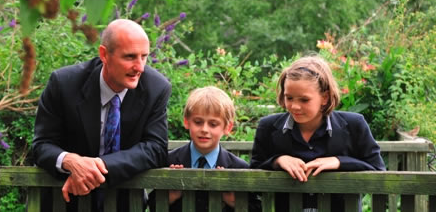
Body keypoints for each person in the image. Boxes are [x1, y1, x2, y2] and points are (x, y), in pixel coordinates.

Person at [32, 19, 171, 212]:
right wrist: (71, 161)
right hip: (64, 202)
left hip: (125, 203)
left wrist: (97, 166)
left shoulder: (156, 88)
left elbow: (155, 148)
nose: (139, 67)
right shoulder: (63, 84)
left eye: (144, 57)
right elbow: (41, 145)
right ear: (104, 54)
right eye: (130, 57)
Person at [250, 55, 385, 211]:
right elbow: (254, 175)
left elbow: (377, 171)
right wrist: (278, 160)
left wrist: (339, 162)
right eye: (289, 98)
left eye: (304, 100)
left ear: (325, 97)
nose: (294, 106)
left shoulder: (354, 125)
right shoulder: (268, 127)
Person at [150, 86, 256, 212]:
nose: (204, 130)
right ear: (186, 122)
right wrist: (170, 196)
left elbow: (256, 207)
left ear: (227, 128)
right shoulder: (169, 161)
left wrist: (233, 201)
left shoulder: (239, 167)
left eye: (213, 124)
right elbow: (151, 204)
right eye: (198, 122)